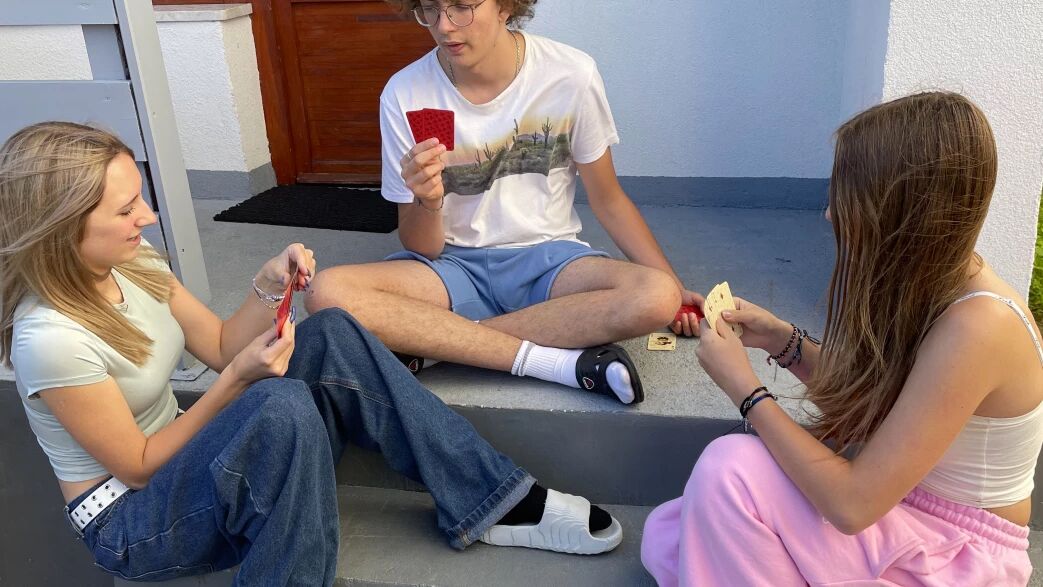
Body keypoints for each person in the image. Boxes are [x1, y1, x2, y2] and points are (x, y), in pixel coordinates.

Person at [0, 122, 623, 586]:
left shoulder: (132, 262)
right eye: (126, 208)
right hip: (133, 520)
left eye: (140, 195)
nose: (149, 214)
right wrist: (238, 382)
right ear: (63, 227)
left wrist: (269, 284)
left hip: (187, 459)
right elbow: (138, 467)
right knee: (279, 407)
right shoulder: (49, 338)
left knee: (331, 334)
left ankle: (494, 499)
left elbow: (220, 345)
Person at [641, 92, 1040, 585]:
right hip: (904, 514)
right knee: (672, 532)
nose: (830, 214)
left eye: (849, 196)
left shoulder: (979, 327)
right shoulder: (936, 284)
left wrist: (745, 390)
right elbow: (889, 404)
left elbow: (852, 506)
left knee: (729, 470)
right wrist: (782, 341)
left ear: (904, 209)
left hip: (953, 556)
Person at [305, 0, 703, 405]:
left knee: (657, 295)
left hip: (551, 263)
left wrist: (674, 286)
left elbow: (609, 200)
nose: (444, 26)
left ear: (506, 6)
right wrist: (429, 201)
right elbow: (423, 247)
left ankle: (442, 343)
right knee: (327, 291)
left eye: (461, 7)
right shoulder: (405, 92)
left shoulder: (570, 74)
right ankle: (555, 362)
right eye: (430, 9)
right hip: (452, 267)